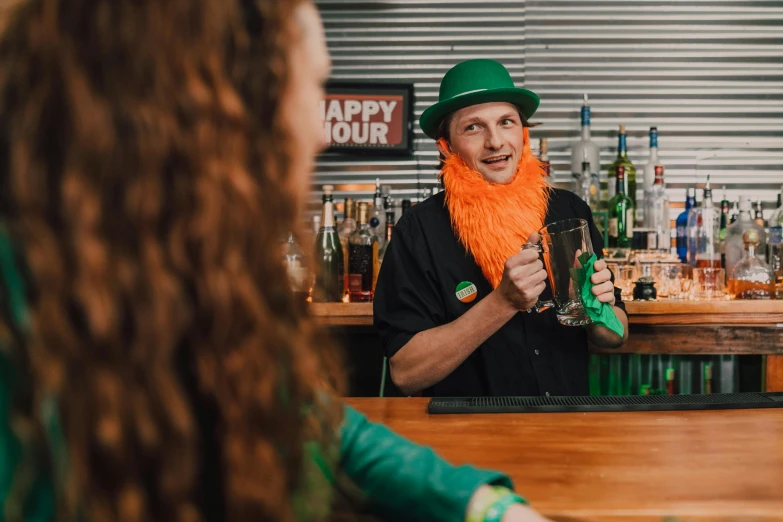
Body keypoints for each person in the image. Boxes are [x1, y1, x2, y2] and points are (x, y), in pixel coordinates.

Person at [0, 1, 552, 521]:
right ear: (218, 105)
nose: (319, 134)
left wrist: (484, 505)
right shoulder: (29, 295)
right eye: (309, 90)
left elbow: (320, 426)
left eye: (506, 124)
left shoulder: (187, 266)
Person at [374, 59, 629, 397]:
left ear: (523, 134)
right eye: (473, 128)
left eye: (506, 122)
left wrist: (598, 310)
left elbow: (616, 335)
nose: (495, 142)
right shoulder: (417, 232)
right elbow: (406, 372)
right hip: (467, 439)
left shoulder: (568, 211)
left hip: (565, 428)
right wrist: (503, 303)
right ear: (446, 147)